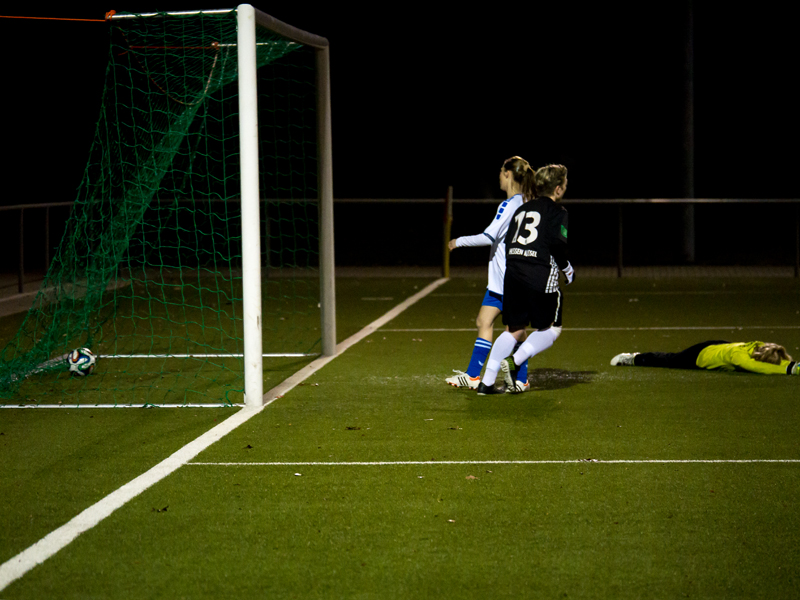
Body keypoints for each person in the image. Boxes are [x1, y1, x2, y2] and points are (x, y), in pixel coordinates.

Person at [476, 164, 574, 395]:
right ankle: (514, 362)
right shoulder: (558, 212)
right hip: (538, 273)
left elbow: (509, 242)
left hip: (514, 273)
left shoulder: (522, 208)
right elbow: (557, 245)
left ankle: (486, 383)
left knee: (515, 330)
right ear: (558, 189)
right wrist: (568, 270)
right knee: (553, 328)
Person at [445, 156, 534, 393]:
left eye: (500, 172)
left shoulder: (509, 204)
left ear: (507, 174)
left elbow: (489, 237)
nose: (498, 176)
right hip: (505, 279)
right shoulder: (526, 202)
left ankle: (521, 378)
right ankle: (474, 375)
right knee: (484, 321)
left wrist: (458, 242)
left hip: (509, 279)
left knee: (515, 332)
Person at [611, 341, 800, 375]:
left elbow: (772, 360)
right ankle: (634, 358)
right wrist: (789, 369)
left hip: (720, 345)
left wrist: (793, 365)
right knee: (670, 359)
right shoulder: (740, 356)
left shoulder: (759, 346)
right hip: (700, 354)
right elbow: (758, 367)